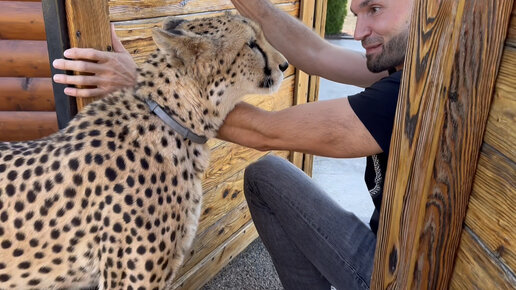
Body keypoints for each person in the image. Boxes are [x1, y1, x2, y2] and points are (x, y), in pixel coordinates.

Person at [52, 0, 414, 288]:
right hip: (386, 248)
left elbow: (265, 132)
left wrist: (144, 83)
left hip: (396, 277)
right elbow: (315, 54)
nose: (359, 31)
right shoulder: (402, 64)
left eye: (375, 8)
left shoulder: (408, 94)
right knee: (266, 176)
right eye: (356, 14)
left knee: (266, 163)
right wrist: (252, 6)